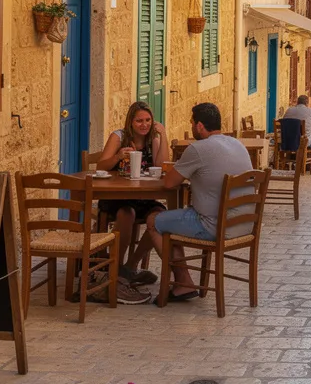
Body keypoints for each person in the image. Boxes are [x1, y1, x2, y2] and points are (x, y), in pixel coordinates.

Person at [147, 103, 254, 302]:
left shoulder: (198, 148)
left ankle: (183, 282)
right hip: (243, 225)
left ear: (199, 126)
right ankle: (183, 281)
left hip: (213, 225)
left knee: (154, 220)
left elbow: (170, 183)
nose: (191, 125)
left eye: (192, 122)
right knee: (171, 222)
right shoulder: (237, 144)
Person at [96, 101, 169, 293]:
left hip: (142, 196)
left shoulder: (152, 140)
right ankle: (116, 268)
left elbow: (162, 167)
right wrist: (118, 156)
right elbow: (100, 166)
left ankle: (130, 265)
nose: (144, 125)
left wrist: (163, 136)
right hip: (117, 196)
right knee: (127, 214)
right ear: (131, 122)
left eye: (147, 120)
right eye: (139, 121)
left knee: (160, 217)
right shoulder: (118, 137)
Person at [282, 94, 311, 171]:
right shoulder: (310, 111)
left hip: (288, 141)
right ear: (307, 103)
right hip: (303, 141)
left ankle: (284, 165)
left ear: (297, 102)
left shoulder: (289, 110)